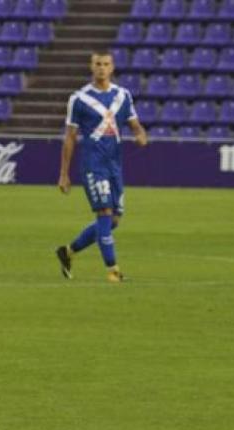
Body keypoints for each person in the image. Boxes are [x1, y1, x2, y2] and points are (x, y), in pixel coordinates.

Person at [57, 50, 148, 283]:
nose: (101, 68)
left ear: (112, 67)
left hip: (114, 165)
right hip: (93, 164)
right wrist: (64, 174)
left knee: (113, 220)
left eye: (106, 64)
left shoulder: (123, 96)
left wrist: (140, 135)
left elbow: (134, 124)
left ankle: (68, 252)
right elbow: (70, 137)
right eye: (97, 63)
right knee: (104, 213)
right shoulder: (78, 99)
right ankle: (113, 270)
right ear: (91, 66)